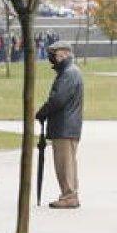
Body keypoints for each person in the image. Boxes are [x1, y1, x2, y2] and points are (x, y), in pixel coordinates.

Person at [35, 40, 84, 209]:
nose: (52, 58)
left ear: (64, 53)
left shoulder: (69, 73)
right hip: (65, 126)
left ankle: (69, 196)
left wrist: (43, 111)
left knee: (65, 164)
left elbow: (58, 99)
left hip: (65, 126)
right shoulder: (68, 72)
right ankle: (69, 194)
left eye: (54, 54)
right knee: (66, 163)